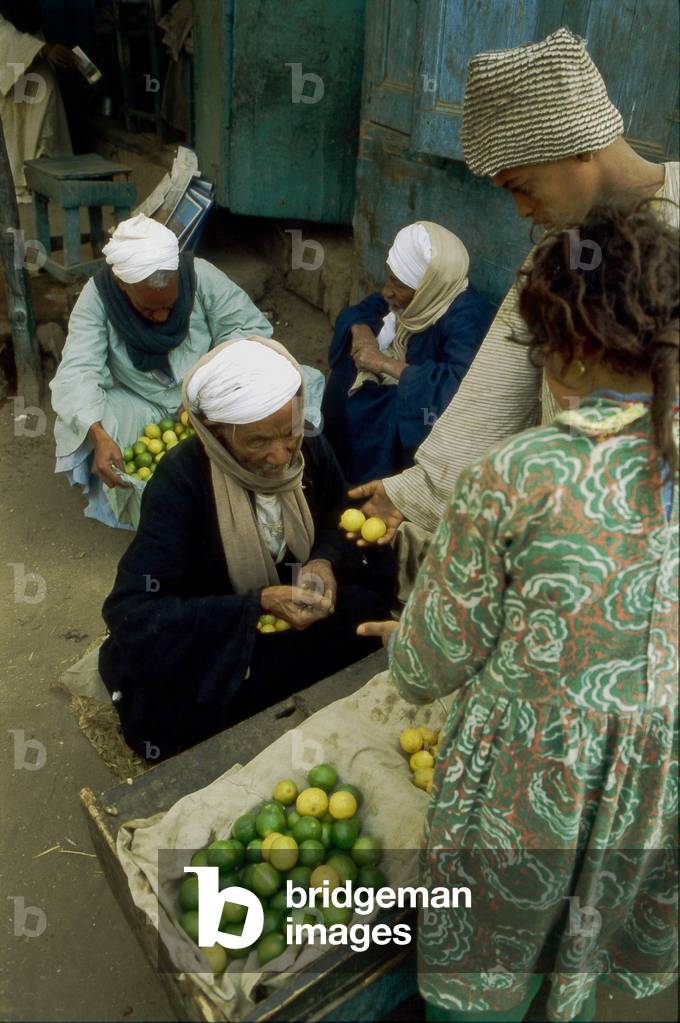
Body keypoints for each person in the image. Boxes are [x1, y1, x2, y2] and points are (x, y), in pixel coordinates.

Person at [359, 201, 678, 1022]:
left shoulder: (519, 472)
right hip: (650, 785)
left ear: (562, 348)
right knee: (591, 933)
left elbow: (431, 663)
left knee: (488, 969)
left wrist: (411, 637)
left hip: (531, 779)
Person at [346, 28, 680, 570]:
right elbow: (495, 387)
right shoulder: (555, 256)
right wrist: (417, 492)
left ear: (578, 149)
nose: (523, 210)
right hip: (572, 534)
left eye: (522, 186)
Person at [99, 336, 395, 761]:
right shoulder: (180, 482)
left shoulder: (308, 447)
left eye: (287, 431)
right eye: (256, 442)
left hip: (293, 617)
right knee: (178, 712)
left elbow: (338, 515)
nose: (279, 456)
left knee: (366, 614)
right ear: (214, 433)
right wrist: (256, 604)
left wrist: (323, 561)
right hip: (224, 631)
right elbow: (134, 612)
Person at [50, 214, 320, 530]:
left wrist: (206, 390)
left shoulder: (201, 276)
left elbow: (247, 331)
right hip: (142, 399)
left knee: (300, 381)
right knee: (88, 419)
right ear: (123, 285)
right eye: (150, 309)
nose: (163, 315)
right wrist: (97, 434)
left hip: (211, 394)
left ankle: (287, 476)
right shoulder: (97, 298)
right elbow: (79, 370)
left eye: (170, 305)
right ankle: (156, 510)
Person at [321, 222, 493, 483]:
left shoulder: (466, 316)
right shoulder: (412, 295)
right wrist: (361, 332)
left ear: (426, 288)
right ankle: (332, 468)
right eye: (388, 277)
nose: (386, 290)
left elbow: (458, 385)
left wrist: (384, 363)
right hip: (404, 376)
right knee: (348, 369)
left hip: (426, 405)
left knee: (382, 411)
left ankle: (373, 488)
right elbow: (363, 311)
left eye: (398, 284)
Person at [0, 1, 76, 203]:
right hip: (6, 69)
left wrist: (43, 50)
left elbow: (28, 22)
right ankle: (18, 181)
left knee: (46, 89)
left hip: (30, 60)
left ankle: (44, 176)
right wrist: (43, 50)